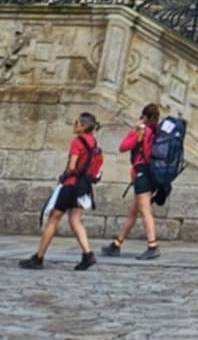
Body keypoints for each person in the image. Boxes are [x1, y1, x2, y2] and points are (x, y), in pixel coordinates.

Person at [18, 114, 101, 270]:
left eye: (76, 122)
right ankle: (88, 255)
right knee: (75, 220)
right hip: (84, 186)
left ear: (83, 126)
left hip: (71, 185)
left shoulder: (77, 142)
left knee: (53, 220)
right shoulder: (93, 141)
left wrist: (65, 176)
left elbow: (71, 166)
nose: (73, 124)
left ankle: (39, 257)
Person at [107, 101, 163, 257]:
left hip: (142, 174)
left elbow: (124, 146)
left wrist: (135, 129)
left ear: (144, 117)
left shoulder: (143, 132)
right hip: (152, 175)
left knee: (145, 211)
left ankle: (153, 246)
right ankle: (117, 244)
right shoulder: (157, 131)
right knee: (133, 211)